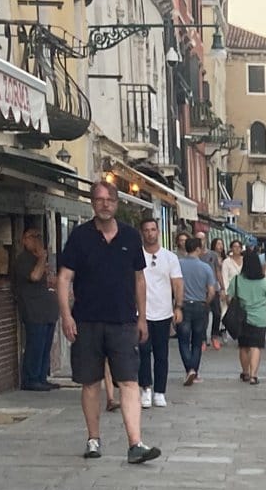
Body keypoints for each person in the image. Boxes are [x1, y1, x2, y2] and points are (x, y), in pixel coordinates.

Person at [57, 181, 160, 465]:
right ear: (93, 204)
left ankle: (135, 443)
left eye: (110, 199)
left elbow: (139, 278)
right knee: (90, 383)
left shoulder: (129, 236)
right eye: (99, 199)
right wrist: (66, 315)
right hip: (87, 320)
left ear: (116, 203)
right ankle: (93, 439)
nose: (105, 204)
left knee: (129, 381)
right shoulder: (79, 237)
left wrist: (142, 317)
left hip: (124, 321)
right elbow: (64, 278)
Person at [137, 216, 184, 408]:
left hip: (163, 312)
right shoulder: (137, 255)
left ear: (158, 232)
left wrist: (178, 306)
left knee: (161, 353)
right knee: (143, 352)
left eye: (153, 230)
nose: (150, 233)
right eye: (146, 230)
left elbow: (178, 283)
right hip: (141, 313)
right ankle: (146, 388)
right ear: (142, 233)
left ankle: (160, 391)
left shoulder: (169, 257)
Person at [10, 226, 58, 390]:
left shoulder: (40, 258)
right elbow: (35, 276)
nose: (37, 240)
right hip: (33, 309)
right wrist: (41, 258)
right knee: (35, 345)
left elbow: (50, 279)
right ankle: (31, 379)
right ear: (24, 240)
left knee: (45, 345)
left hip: (47, 309)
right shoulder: (23, 259)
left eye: (39, 236)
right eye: (32, 237)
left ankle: (41, 377)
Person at [176, 238, 217, 385]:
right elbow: (212, 291)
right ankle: (194, 370)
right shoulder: (206, 267)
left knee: (183, 340)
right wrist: (206, 302)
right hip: (200, 306)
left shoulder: (178, 265)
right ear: (198, 249)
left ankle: (189, 369)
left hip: (183, 305)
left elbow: (173, 285)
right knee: (197, 341)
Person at [229, 245, 266, 383]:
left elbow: (230, 297)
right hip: (260, 318)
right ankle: (254, 375)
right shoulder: (264, 282)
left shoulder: (236, 280)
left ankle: (245, 372)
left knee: (244, 346)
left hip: (242, 318)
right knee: (256, 346)